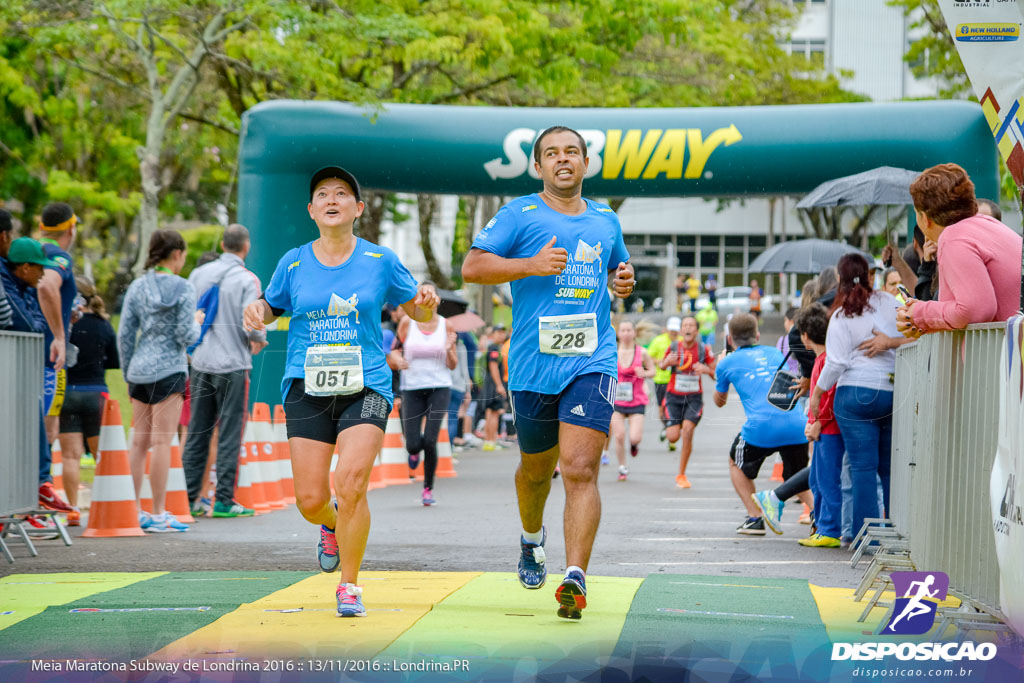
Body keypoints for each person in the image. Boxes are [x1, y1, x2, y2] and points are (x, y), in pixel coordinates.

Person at [243, 166, 438, 618]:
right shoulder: (293, 261)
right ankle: (329, 524)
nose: (333, 200)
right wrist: (258, 309)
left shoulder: (380, 260)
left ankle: (349, 585)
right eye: (323, 195)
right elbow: (271, 307)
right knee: (311, 500)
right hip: (307, 385)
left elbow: (420, 313)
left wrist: (426, 303)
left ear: (358, 209)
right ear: (312, 210)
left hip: (366, 383)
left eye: (343, 194)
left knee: (350, 483)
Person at [462, 125, 635, 620]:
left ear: (585, 162)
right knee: (537, 471)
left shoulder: (606, 217)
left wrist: (622, 280)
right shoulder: (519, 213)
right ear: (538, 166)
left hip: (592, 359)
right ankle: (531, 538)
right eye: (552, 154)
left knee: (580, 468)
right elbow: (473, 267)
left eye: (572, 152)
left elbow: (618, 272)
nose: (563, 160)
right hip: (534, 366)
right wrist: (531, 264)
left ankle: (575, 577)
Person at [810, 253, 908, 543]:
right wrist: (890, 343)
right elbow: (917, 333)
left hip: (853, 394)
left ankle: (868, 538)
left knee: (862, 469)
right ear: (870, 276)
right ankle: (895, 533)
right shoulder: (890, 304)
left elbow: (836, 363)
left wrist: (816, 393)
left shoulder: (841, 316)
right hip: (891, 392)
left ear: (840, 280)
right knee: (889, 469)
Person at [118, 230, 202, 533]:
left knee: (138, 442)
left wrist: (128, 372)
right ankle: (156, 512)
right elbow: (184, 335)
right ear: (177, 254)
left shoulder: (137, 287)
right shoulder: (184, 288)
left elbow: (125, 334)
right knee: (162, 442)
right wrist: (197, 324)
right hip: (169, 370)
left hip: (139, 369)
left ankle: (131, 510)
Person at [182, 223, 265, 519]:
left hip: (201, 362)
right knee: (230, 433)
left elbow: (188, 315)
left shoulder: (198, 274)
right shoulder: (247, 279)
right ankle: (224, 500)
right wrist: (259, 340)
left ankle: (189, 498)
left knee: (197, 432)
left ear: (221, 244)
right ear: (246, 247)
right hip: (233, 364)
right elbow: (251, 320)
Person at [0, 237, 74, 531]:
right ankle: (40, 483)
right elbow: (27, 324)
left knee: (37, 421)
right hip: (21, 368)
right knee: (32, 420)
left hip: (26, 368)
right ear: (25, 267)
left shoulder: (22, 286)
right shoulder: (18, 285)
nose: (43, 275)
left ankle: (34, 490)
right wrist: (55, 334)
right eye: (38, 269)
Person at [712, 313, 809, 535]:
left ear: (730, 338)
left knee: (735, 461)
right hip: (796, 423)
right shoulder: (774, 352)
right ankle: (818, 518)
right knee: (797, 476)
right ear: (757, 335)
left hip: (761, 429)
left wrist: (720, 370)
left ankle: (755, 518)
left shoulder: (726, 362)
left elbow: (719, 401)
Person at [898, 164, 1023, 336]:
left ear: (925, 219)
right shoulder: (987, 226)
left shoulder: (954, 237)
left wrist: (920, 312)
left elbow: (976, 310)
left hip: (1007, 356)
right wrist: (925, 322)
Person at [58, 275, 119, 526]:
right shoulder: (103, 325)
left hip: (67, 393)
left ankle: (72, 511)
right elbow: (114, 362)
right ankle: (107, 508)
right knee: (101, 455)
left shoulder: (64, 324)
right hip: (96, 394)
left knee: (70, 457)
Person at [392, 281, 457, 506]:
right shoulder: (406, 323)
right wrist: (397, 359)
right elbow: (394, 351)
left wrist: (449, 350)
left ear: (437, 299)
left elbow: (453, 364)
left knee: (430, 439)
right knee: (412, 443)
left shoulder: (446, 326)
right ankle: (413, 453)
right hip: (411, 388)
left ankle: (428, 488)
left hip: (439, 387)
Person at [37, 204, 78, 450]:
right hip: (49, 356)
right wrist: (59, 335)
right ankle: (39, 482)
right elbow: (46, 286)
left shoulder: (24, 254)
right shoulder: (58, 257)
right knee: (46, 430)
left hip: (22, 350)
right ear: (71, 229)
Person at [660, 316, 716, 489]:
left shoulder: (703, 349)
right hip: (673, 397)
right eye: (685, 325)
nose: (688, 328)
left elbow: (716, 373)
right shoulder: (674, 347)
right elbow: (662, 366)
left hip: (693, 399)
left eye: (691, 325)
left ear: (697, 331)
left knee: (688, 431)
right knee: (673, 436)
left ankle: (681, 474)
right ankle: (667, 417)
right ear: (681, 330)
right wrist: (666, 363)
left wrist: (706, 369)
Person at [610, 320, 655, 481]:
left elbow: (653, 371)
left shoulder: (642, 352)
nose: (626, 333)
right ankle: (622, 467)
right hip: (617, 401)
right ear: (619, 334)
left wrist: (644, 373)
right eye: (623, 330)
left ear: (634, 333)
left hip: (636, 400)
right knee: (619, 435)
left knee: (634, 437)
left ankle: (634, 445)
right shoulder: (612, 352)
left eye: (629, 330)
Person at [647, 316, 681, 451]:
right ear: (667, 329)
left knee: (676, 409)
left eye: (676, 330)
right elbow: (649, 357)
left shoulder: (683, 342)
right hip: (661, 379)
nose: (673, 332)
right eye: (671, 330)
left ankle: (671, 435)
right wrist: (660, 361)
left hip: (677, 380)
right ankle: (667, 427)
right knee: (662, 409)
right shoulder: (658, 341)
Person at [480, 324, 508, 451]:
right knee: (494, 412)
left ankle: (489, 441)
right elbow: (493, 366)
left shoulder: (496, 347)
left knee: (490, 412)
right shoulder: (494, 348)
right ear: (493, 334)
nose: (501, 335)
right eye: (498, 332)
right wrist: (499, 385)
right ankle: (491, 440)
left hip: (490, 384)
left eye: (503, 332)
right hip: (493, 384)